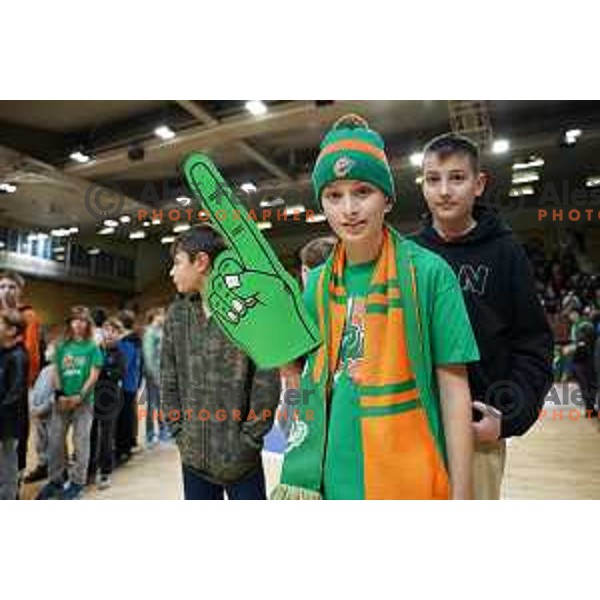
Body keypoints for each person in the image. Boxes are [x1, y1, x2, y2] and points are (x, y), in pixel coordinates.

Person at [274, 114, 478, 500]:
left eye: (363, 191)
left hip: (411, 476)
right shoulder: (315, 286)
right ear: (322, 204)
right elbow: (296, 377)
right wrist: (296, 409)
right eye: (334, 196)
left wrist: (463, 494)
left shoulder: (430, 274)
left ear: (387, 197)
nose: (349, 209)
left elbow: (454, 390)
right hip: (329, 479)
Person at [414, 132, 553, 499]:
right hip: (414, 432)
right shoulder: (408, 255)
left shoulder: (506, 252)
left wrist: (505, 417)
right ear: (423, 185)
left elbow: (533, 345)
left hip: (477, 434)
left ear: (479, 184)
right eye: (433, 179)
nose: (444, 190)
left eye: (457, 178)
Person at [161, 225, 281, 500]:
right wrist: (180, 434)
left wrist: (248, 443)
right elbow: (169, 380)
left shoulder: (250, 313)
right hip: (193, 459)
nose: (171, 271)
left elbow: (266, 387)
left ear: (201, 262)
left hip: (242, 461)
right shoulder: (177, 315)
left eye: (177, 262)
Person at [37, 306, 103, 500]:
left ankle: (77, 482)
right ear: (69, 323)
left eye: (82, 320)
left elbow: (94, 375)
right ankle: (56, 479)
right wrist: (60, 395)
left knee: (81, 442)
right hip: (62, 401)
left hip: (84, 402)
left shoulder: (92, 347)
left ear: (88, 324)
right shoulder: (61, 345)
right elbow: (56, 371)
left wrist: (79, 396)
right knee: (55, 441)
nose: (78, 324)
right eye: (75, 320)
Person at [0, 270, 42, 479]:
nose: (6, 291)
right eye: (2, 286)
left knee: (16, 432)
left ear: (20, 291)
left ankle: (16, 478)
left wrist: (25, 384)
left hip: (16, 381)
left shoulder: (27, 316)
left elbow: (31, 352)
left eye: (11, 287)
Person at [87, 318, 127, 489]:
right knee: (91, 434)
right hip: (92, 397)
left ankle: (105, 472)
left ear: (119, 335)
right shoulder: (95, 350)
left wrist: (100, 370)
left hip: (110, 398)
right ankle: (89, 470)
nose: (109, 333)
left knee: (106, 437)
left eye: (114, 331)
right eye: (106, 329)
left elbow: (118, 374)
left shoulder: (120, 354)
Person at [0, 310, 29, 499]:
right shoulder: (3, 352)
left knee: (8, 459)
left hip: (9, 420)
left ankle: (9, 497)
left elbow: (15, 391)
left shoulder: (18, 355)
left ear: (11, 330)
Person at [24, 343, 57, 483]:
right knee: (40, 442)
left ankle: (57, 472)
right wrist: (32, 406)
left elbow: (55, 396)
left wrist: (42, 408)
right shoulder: (45, 370)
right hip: (38, 414)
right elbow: (36, 389)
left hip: (52, 414)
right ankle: (43, 466)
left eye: (52, 349)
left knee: (54, 442)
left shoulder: (60, 371)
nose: (48, 351)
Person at [116, 309, 143, 463]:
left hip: (125, 384)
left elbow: (123, 365)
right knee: (129, 416)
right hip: (132, 382)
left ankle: (124, 449)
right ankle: (129, 443)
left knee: (124, 418)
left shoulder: (127, 341)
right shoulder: (134, 339)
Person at [142, 307, 168, 446]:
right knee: (152, 405)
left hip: (162, 373)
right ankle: (150, 434)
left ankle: (164, 432)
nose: (164, 318)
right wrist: (154, 375)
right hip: (153, 375)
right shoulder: (150, 332)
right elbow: (148, 355)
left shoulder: (161, 331)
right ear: (155, 316)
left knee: (162, 405)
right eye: (162, 315)